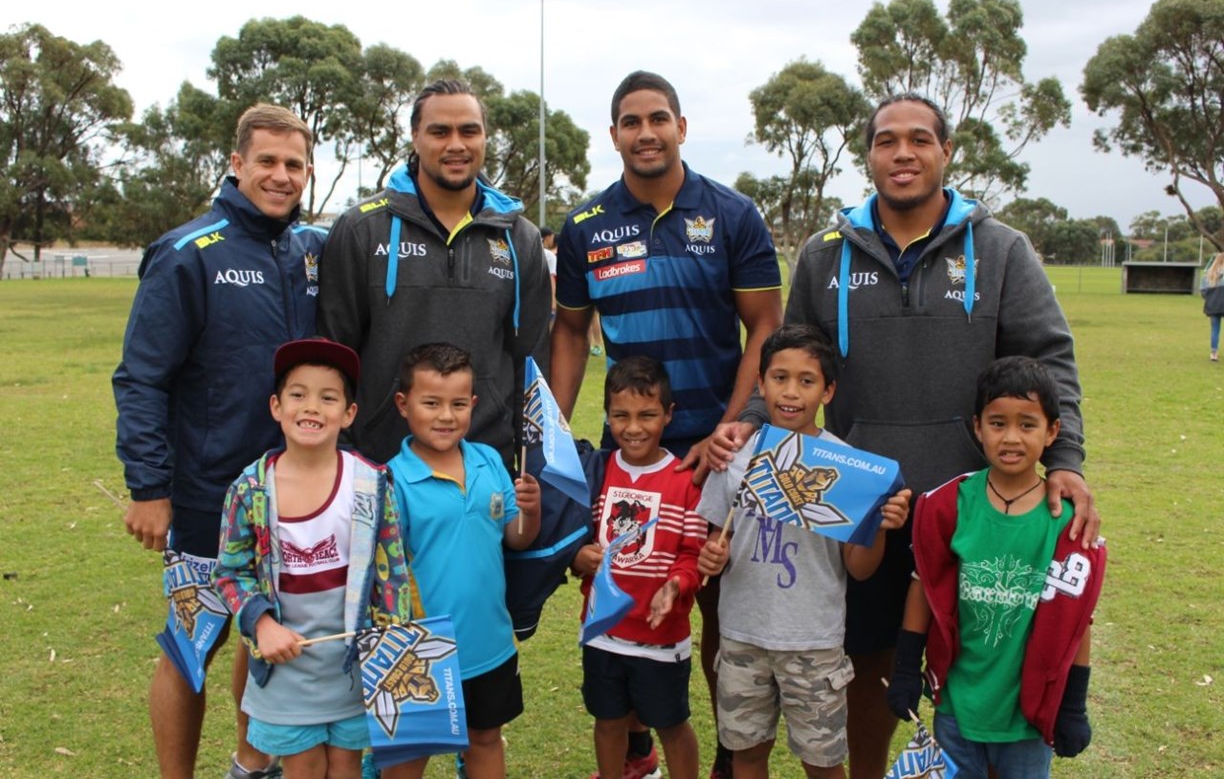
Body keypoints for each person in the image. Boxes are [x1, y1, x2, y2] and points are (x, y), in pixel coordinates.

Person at [709, 93, 1099, 779]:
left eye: (920, 139)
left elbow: (1048, 359)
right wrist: (752, 421)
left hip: (970, 505)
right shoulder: (825, 255)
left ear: (946, 151)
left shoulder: (1002, 250)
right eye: (886, 140)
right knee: (864, 662)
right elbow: (791, 359)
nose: (903, 153)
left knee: (970, 657)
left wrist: (1064, 458)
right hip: (857, 504)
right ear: (869, 156)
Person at [551, 70, 783, 779]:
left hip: (719, 452)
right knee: (624, 591)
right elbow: (571, 331)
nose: (645, 133)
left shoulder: (732, 214)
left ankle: (728, 755)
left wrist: (732, 427)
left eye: (658, 119)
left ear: (681, 127)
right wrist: (553, 433)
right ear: (614, 134)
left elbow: (765, 325)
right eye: (631, 121)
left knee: (718, 611)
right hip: (632, 452)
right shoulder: (585, 227)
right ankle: (635, 750)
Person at [113, 103, 326, 779]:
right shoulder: (187, 252)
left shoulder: (312, 249)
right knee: (191, 646)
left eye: (294, 164)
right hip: (207, 495)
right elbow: (141, 378)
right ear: (236, 164)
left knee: (264, 635)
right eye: (267, 161)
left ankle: (250, 764)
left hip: (292, 493)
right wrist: (149, 488)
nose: (281, 175)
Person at [696, 325, 912, 779]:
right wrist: (712, 556)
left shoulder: (848, 470)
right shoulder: (735, 456)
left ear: (828, 391)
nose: (791, 392)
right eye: (780, 378)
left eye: (807, 380)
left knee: (823, 762)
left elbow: (859, 568)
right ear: (760, 384)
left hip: (814, 642)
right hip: (742, 634)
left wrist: (878, 527)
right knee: (746, 754)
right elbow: (718, 539)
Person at [886, 357, 1105, 778]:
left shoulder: (1066, 523)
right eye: (998, 423)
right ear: (977, 427)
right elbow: (924, 588)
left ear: (1052, 432)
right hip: (956, 710)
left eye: (1027, 424)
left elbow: (1076, 620)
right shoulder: (948, 506)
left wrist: (1073, 706)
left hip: (1027, 721)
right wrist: (905, 670)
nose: (1011, 437)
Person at [317, 79, 551, 469]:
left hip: (486, 471)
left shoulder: (521, 239)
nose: (456, 144)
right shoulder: (361, 229)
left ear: (485, 138)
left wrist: (530, 464)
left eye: (469, 131)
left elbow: (531, 364)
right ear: (415, 137)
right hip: (379, 465)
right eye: (440, 132)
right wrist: (340, 457)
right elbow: (333, 355)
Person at [212, 339, 415, 779]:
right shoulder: (249, 490)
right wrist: (261, 625)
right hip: (285, 672)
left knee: (345, 768)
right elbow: (229, 573)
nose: (311, 407)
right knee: (303, 768)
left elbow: (393, 577)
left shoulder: (372, 484)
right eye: (298, 394)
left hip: (352, 672)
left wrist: (392, 650)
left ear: (349, 413)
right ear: (276, 406)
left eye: (328, 397)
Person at [382, 343, 541, 779]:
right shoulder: (392, 481)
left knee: (485, 739)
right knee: (409, 755)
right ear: (403, 404)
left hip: (489, 643)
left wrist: (531, 511)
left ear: (473, 403)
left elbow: (517, 537)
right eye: (431, 403)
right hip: (418, 651)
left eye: (457, 404)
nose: (446, 416)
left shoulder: (489, 461)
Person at [570, 357, 706, 779]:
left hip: (660, 639)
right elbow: (574, 537)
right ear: (606, 415)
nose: (633, 428)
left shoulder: (685, 480)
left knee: (671, 725)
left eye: (647, 415)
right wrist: (578, 557)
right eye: (620, 416)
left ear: (668, 414)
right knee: (608, 722)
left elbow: (692, 555)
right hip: (602, 632)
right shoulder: (597, 472)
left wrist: (676, 586)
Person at [1201, 252, 1224, 362]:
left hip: (1213, 305)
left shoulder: (1208, 274)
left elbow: (1203, 291)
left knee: (1215, 329)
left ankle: (1213, 353)